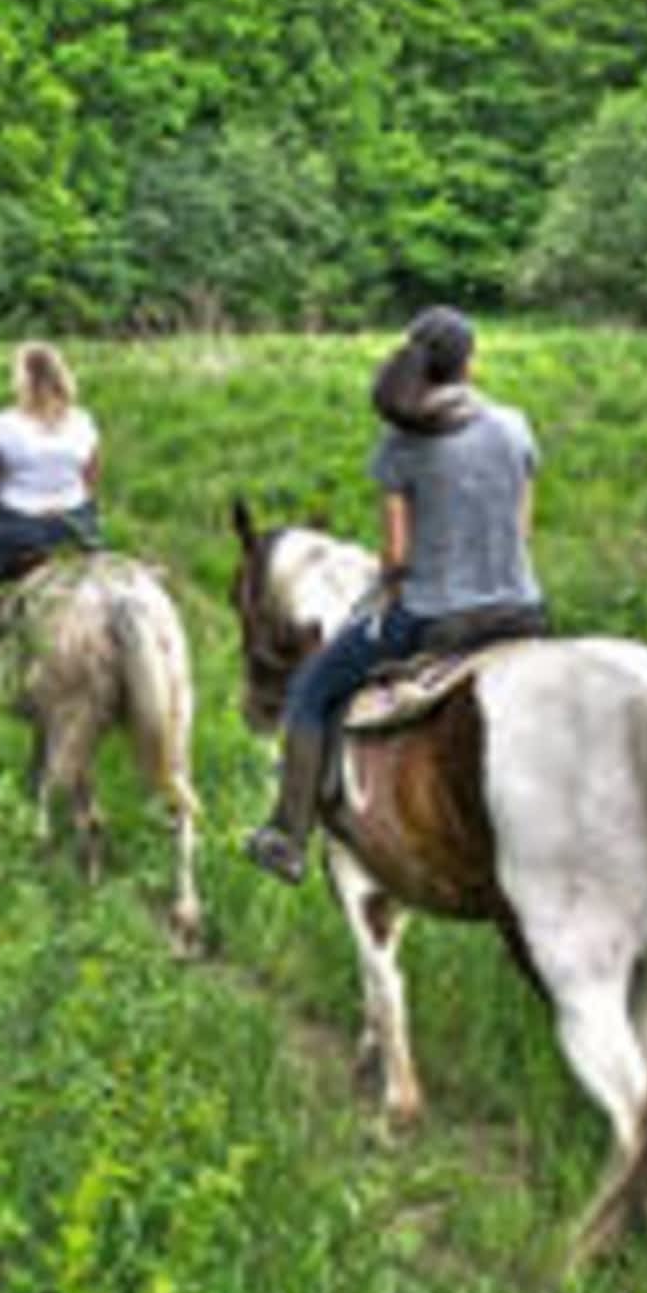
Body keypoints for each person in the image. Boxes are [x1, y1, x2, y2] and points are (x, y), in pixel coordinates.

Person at [245, 306, 549, 885]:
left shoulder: (404, 442)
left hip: (434, 617)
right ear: (471, 362)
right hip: (521, 611)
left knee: (311, 689)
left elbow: (397, 557)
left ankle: (287, 834)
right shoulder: (514, 426)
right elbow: (521, 530)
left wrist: (392, 581)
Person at [0, 341, 104, 727]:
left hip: (19, 529)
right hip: (77, 528)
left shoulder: (3, 424)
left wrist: (12, 509)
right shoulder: (85, 422)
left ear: (21, 380)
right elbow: (91, 483)